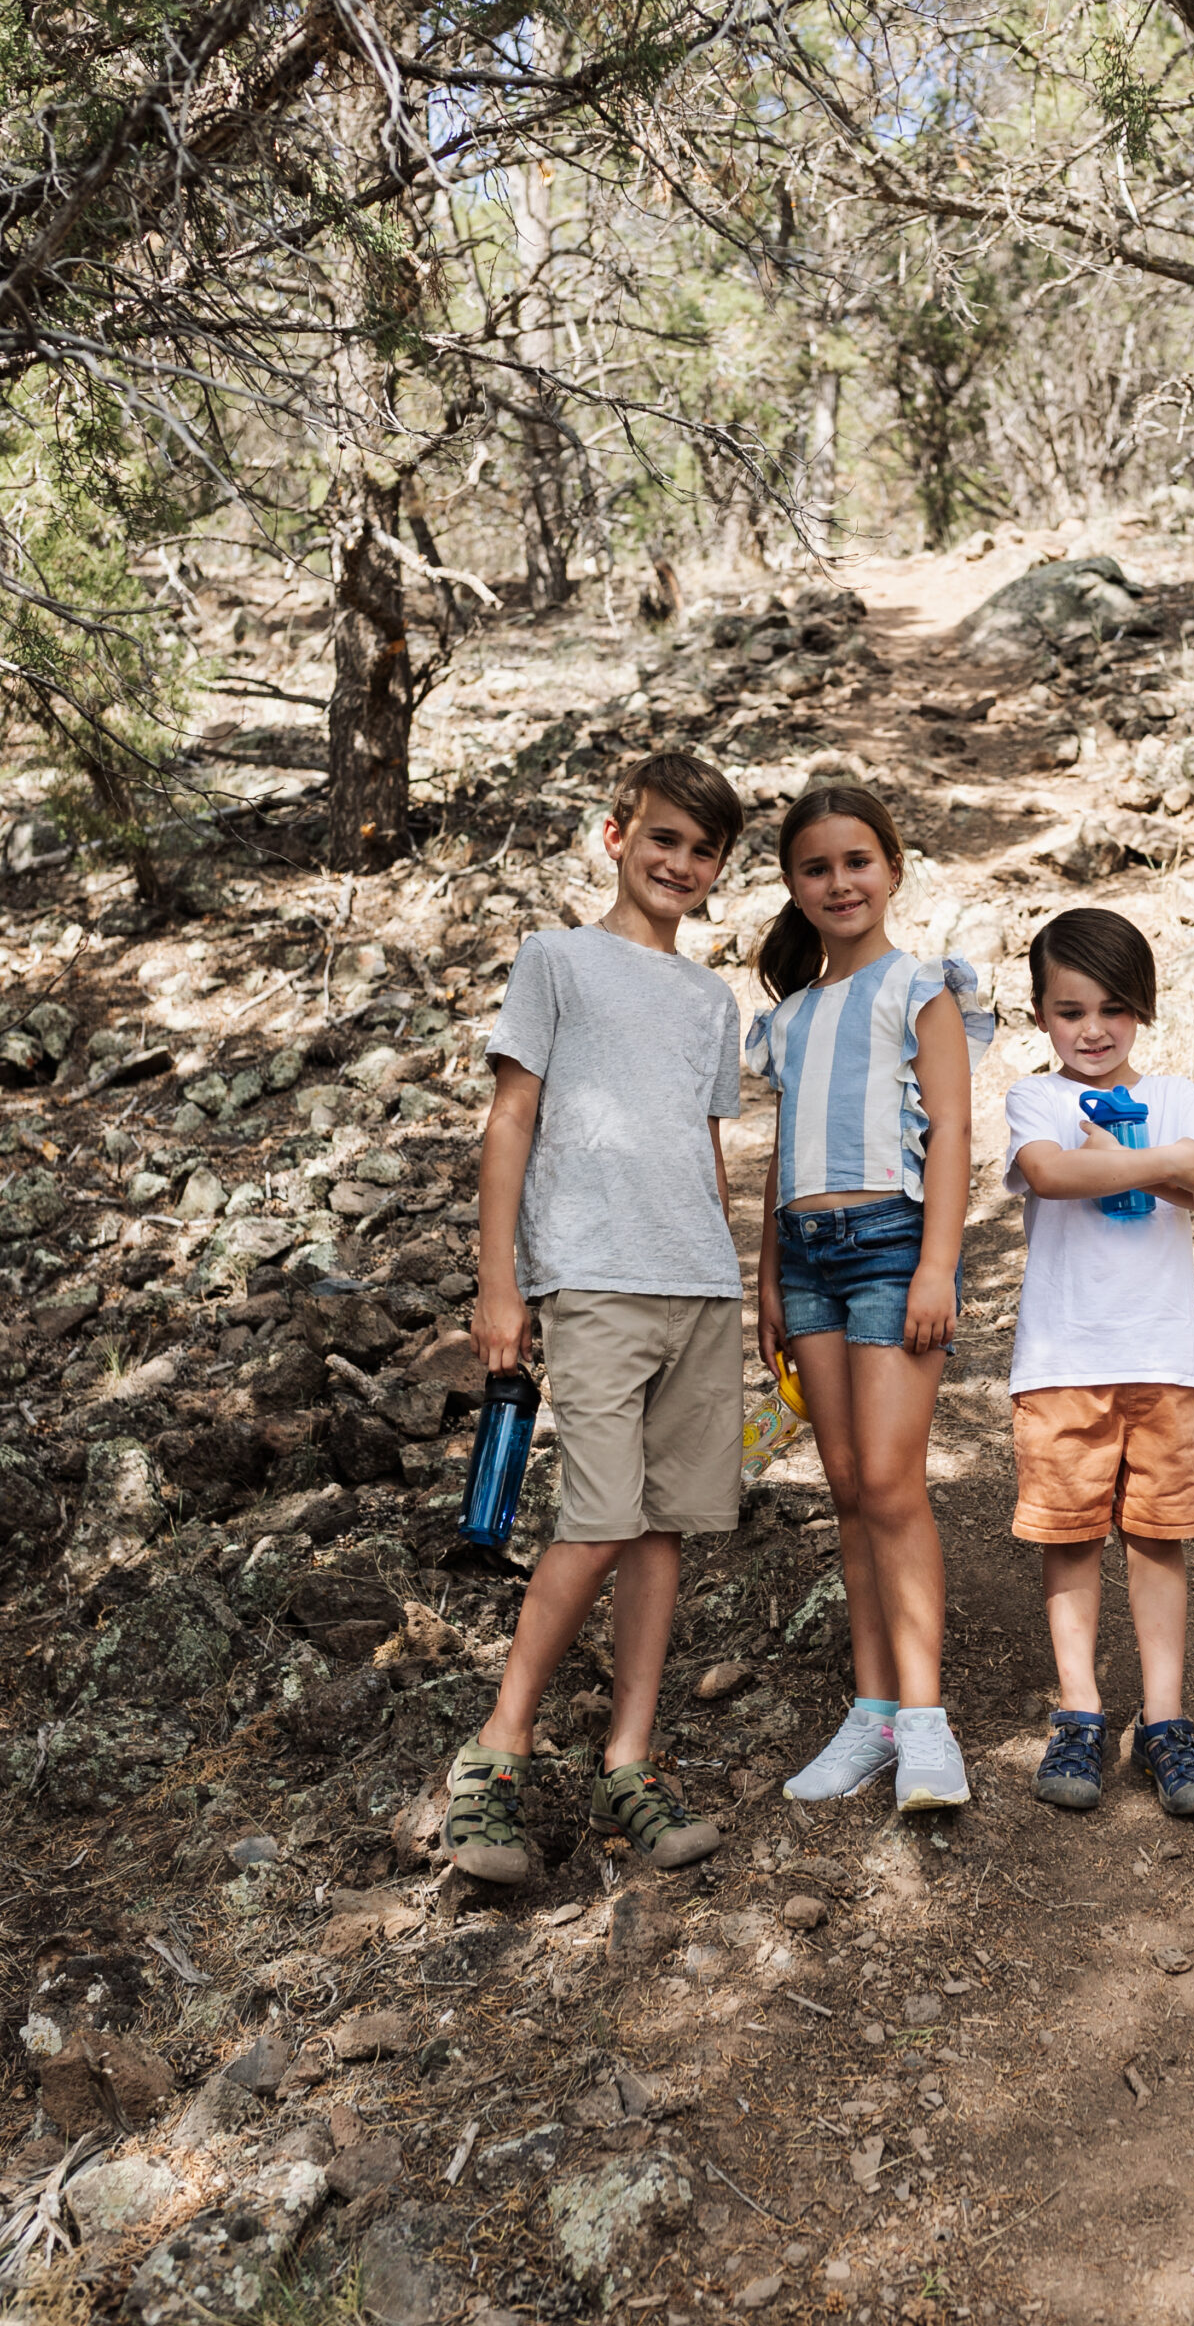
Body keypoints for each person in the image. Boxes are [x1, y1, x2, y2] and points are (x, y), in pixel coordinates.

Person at [443, 751, 747, 1884]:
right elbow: (510, 1120)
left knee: (661, 1525)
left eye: (702, 849)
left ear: (719, 871)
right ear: (615, 835)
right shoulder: (557, 959)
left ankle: (630, 1758)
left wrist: (740, 1276)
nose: (679, 862)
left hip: (699, 1285)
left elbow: (706, 1150)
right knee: (598, 1519)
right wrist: (500, 1282)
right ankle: (498, 1750)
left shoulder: (711, 999)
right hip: (594, 1278)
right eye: (661, 837)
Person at [747, 786, 993, 1812]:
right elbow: (781, 1159)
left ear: (892, 867)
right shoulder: (787, 1019)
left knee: (893, 1483)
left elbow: (951, 1137)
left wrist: (938, 1265)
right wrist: (766, 1274)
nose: (839, 882)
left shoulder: (920, 987)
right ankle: (873, 1711)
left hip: (891, 1249)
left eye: (858, 861)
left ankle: (929, 1723)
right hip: (807, 1264)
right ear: (794, 887)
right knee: (846, 1489)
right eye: (816, 867)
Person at [1003, 906, 1194, 1819]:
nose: (1092, 1030)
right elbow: (1053, 1174)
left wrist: (1167, 1159)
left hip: (1163, 1358)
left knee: (1157, 1534)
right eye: (1068, 1011)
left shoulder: (1176, 1096)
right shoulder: (1037, 1100)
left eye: (1113, 1008)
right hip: (1062, 1358)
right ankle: (1079, 1713)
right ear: (1038, 1015)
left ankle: (1165, 1722)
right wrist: (1164, 1164)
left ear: (1141, 1008)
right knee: (1068, 1537)